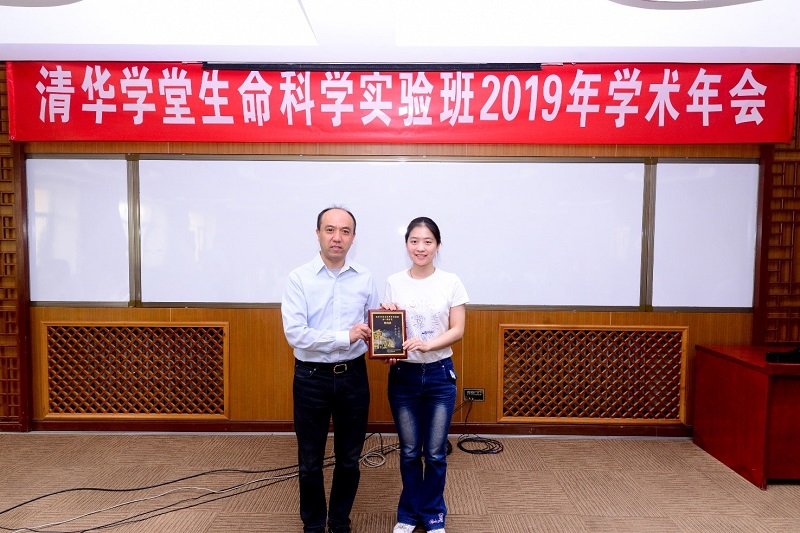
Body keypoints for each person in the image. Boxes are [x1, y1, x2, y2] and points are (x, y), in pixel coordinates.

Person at [281, 206, 379, 533]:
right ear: (318, 234)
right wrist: (344, 336)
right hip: (311, 378)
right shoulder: (298, 278)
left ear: (353, 237)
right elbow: (296, 334)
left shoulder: (365, 277)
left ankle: (339, 522)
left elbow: (374, 327)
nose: (337, 237)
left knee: (349, 459)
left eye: (345, 231)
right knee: (310, 462)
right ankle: (313, 526)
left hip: (353, 376)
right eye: (330, 229)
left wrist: (388, 324)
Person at [380, 217, 469, 533]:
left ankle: (433, 514)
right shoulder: (394, 282)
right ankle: (408, 513)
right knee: (408, 451)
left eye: (428, 241)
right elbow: (388, 332)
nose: (421, 247)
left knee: (434, 452)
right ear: (406, 244)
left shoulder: (451, 282)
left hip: (439, 375)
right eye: (414, 241)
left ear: (437, 246)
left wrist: (428, 344)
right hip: (403, 376)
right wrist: (387, 341)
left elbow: (458, 329)